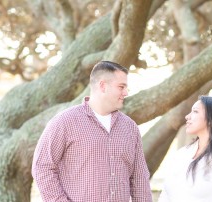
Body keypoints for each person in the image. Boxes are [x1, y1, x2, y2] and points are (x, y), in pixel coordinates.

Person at [32, 61, 152, 202]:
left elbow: (140, 179)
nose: (126, 93)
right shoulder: (65, 122)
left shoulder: (129, 127)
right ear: (102, 86)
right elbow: (42, 166)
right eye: (121, 87)